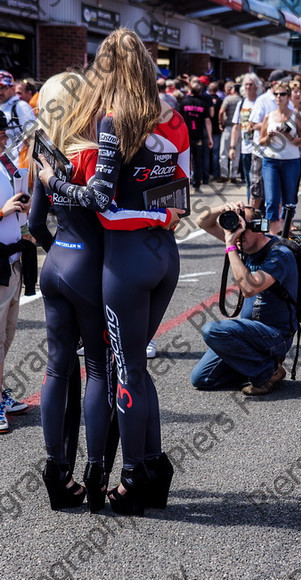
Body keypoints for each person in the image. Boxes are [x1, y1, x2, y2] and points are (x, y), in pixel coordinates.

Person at [37, 27, 189, 516]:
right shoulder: (174, 119)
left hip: (122, 256)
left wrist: (51, 178)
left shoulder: (110, 121)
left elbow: (100, 197)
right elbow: (179, 198)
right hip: (164, 249)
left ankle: (129, 480)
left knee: (121, 371)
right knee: (137, 372)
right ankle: (153, 468)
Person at [29, 72, 115, 511]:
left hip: (56, 265)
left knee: (57, 368)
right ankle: (97, 471)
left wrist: (57, 255)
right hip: (88, 269)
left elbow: (33, 225)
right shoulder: (96, 151)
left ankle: (54, 469)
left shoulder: (42, 150)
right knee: (99, 369)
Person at [191, 203, 298, 395]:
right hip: (249, 332)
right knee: (201, 379)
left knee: (211, 331)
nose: (236, 233)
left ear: (258, 227)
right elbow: (202, 222)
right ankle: (265, 366)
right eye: (233, 227)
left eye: (241, 227)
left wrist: (230, 246)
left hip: (275, 335)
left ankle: (265, 372)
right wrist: (224, 208)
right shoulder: (245, 242)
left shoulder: (279, 254)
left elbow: (250, 288)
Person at [0, 110, 30, 433]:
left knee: (7, 334)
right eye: (1, 136)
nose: (6, 139)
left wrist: (22, 212)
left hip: (13, 259)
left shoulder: (7, 165)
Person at [259, 82, 301, 235]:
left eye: (282, 94)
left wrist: (289, 137)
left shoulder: (295, 116)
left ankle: (285, 232)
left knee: (289, 200)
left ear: (288, 97)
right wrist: (269, 137)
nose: (279, 97)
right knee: (272, 200)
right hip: (270, 161)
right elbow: (260, 141)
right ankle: (273, 235)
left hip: (291, 161)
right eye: (276, 94)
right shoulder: (269, 116)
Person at [248, 69, 292, 209]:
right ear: (274, 83)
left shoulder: (287, 100)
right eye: (284, 82)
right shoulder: (263, 100)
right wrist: (273, 125)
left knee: (276, 192)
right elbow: (253, 124)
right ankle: (250, 223)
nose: (287, 85)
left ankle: (276, 225)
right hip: (262, 151)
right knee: (257, 190)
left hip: (282, 154)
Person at [229, 73, 263, 201]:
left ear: (256, 86)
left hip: (259, 148)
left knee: (258, 182)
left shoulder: (260, 102)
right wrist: (232, 147)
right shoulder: (241, 103)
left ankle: (260, 209)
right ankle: (251, 211)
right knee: (249, 182)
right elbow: (236, 127)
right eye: (246, 84)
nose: (248, 87)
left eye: (251, 84)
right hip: (245, 148)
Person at [178, 76, 212, 192]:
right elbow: (207, 121)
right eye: (195, 82)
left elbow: (178, 120)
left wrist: (210, 137)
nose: (197, 84)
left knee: (189, 161)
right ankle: (194, 184)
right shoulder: (200, 103)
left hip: (192, 137)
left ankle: (193, 184)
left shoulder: (185, 102)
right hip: (191, 137)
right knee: (196, 161)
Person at [0, 70, 35, 167]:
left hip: (18, 167)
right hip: (4, 166)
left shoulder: (20, 106)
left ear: (12, 87)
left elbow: (33, 136)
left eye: (2, 88)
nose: (0, 92)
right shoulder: (2, 107)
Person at [218, 82, 241, 183]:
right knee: (236, 152)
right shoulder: (242, 100)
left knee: (224, 152)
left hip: (228, 127)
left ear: (233, 90)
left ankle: (224, 174)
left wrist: (220, 122)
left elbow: (221, 111)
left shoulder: (228, 99)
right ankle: (234, 175)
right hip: (239, 128)